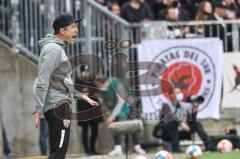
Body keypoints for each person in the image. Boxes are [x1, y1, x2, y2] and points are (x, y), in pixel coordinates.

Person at [32, 13, 98, 159]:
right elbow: (43, 80)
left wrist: (80, 96)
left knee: (58, 151)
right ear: (62, 31)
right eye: (73, 27)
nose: (76, 31)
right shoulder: (53, 49)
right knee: (59, 152)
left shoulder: (56, 48)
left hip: (59, 105)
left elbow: (60, 82)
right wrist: (38, 109)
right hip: (58, 107)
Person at [95, 75, 146, 156]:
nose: (98, 87)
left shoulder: (116, 83)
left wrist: (112, 116)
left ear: (104, 82)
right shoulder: (103, 91)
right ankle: (117, 148)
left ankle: (137, 146)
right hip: (115, 107)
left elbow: (121, 100)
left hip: (128, 104)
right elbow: (104, 106)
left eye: (98, 85)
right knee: (115, 125)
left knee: (132, 124)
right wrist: (109, 117)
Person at [153, 87, 210, 152]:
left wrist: (194, 111)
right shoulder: (166, 105)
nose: (179, 94)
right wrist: (180, 123)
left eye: (180, 92)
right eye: (177, 93)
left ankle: (209, 146)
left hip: (183, 131)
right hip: (168, 132)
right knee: (173, 123)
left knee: (197, 124)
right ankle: (176, 149)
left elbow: (192, 120)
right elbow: (170, 117)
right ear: (171, 95)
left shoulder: (186, 105)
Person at [75, 66, 103, 156]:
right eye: (84, 71)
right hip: (83, 108)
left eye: (87, 71)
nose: (85, 73)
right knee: (85, 129)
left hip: (93, 108)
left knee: (95, 129)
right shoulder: (78, 81)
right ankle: (87, 150)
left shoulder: (92, 80)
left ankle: (92, 148)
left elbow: (96, 91)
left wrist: (89, 91)